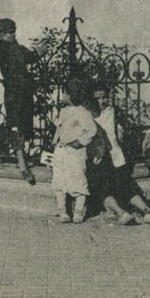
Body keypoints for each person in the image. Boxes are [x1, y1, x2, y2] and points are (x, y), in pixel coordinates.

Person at [91, 83, 150, 223]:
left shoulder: (113, 111)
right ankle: (121, 213)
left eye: (104, 97)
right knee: (104, 187)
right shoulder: (88, 114)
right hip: (98, 157)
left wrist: (120, 132)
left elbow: (120, 130)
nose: (101, 101)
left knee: (126, 185)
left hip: (116, 155)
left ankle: (147, 211)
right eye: (97, 98)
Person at [0, 18, 38, 185]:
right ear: (1, 35)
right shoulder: (7, 49)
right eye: (8, 33)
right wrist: (39, 52)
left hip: (21, 93)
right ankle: (22, 165)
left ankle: (24, 159)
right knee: (17, 127)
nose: (12, 35)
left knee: (23, 126)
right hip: (15, 94)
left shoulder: (12, 47)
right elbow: (27, 57)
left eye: (13, 32)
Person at [51, 78, 97, 223]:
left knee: (77, 180)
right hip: (61, 150)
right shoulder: (64, 111)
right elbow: (59, 129)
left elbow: (91, 131)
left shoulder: (83, 112)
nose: (63, 96)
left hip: (74, 152)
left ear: (71, 95)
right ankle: (62, 211)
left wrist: (80, 142)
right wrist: (54, 144)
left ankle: (78, 211)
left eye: (64, 93)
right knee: (59, 180)